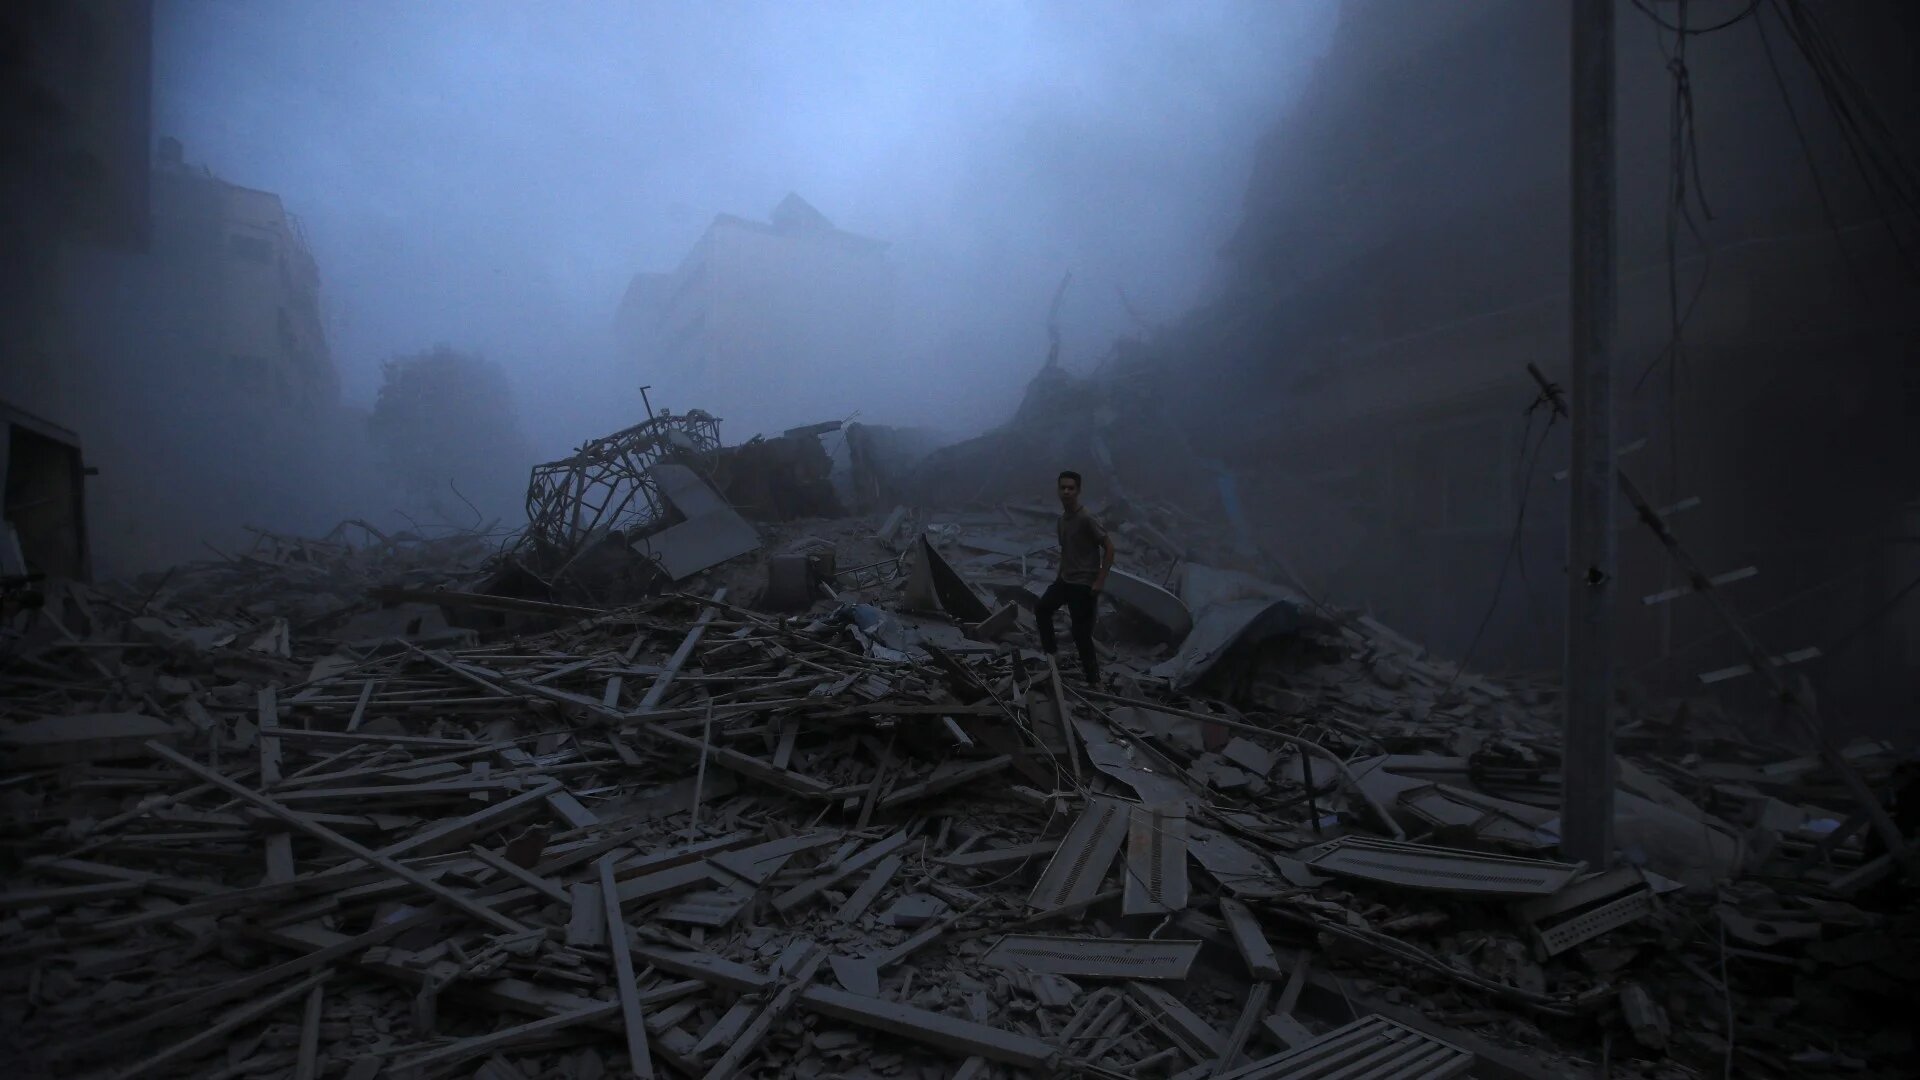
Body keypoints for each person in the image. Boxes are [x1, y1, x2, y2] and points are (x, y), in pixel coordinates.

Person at [1035, 470, 1114, 682]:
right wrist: (1059, 576)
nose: (1067, 491)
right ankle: (1053, 654)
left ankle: (1094, 680)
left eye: (1071, 488)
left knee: (1081, 634)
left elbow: (1109, 547)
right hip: (1065, 580)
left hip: (1084, 584)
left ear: (1078, 491)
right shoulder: (1062, 521)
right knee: (1042, 609)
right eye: (1063, 487)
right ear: (1058, 490)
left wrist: (1099, 580)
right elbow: (1066, 551)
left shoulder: (1086, 518)